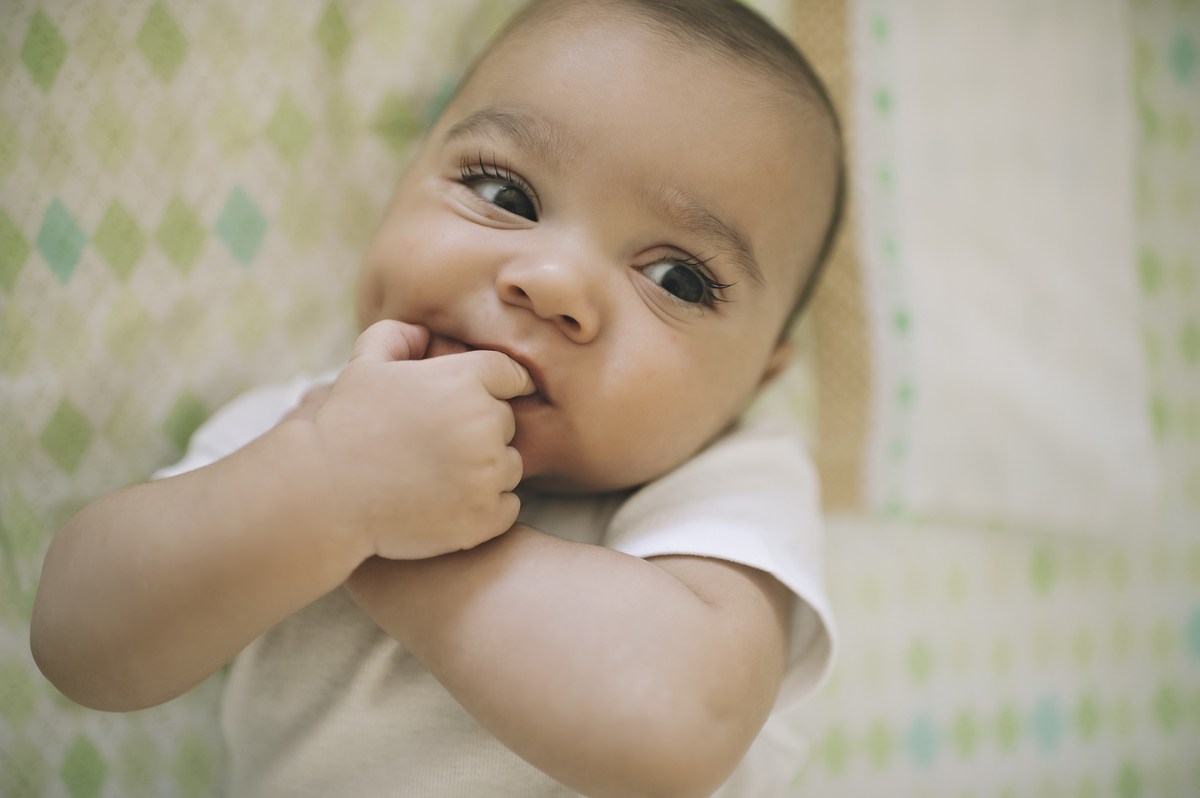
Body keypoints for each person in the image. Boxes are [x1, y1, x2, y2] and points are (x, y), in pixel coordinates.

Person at [31, 0, 844, 795]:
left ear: (756, 380)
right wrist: (331, 483)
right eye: (505, 195)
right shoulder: (307, 427)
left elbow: (678, 724)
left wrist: (380, 526)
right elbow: (79, 639)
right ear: (401, 184)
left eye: (676, 278)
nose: (552, 282)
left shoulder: (720, 488)